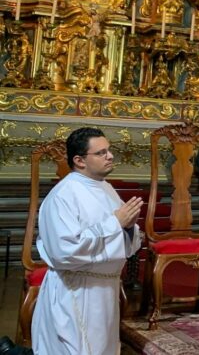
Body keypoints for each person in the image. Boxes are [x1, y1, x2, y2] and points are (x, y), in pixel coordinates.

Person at [32, 127, 143, 354]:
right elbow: (65, 252)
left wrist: (129, 228)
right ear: (79, 160)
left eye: (109, 150)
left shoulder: (107, 188)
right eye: (101, 153)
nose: (110, 156)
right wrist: (115, 223)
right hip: (76, 292)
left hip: (105, 290)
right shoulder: (63, 195)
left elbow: (123, 239)